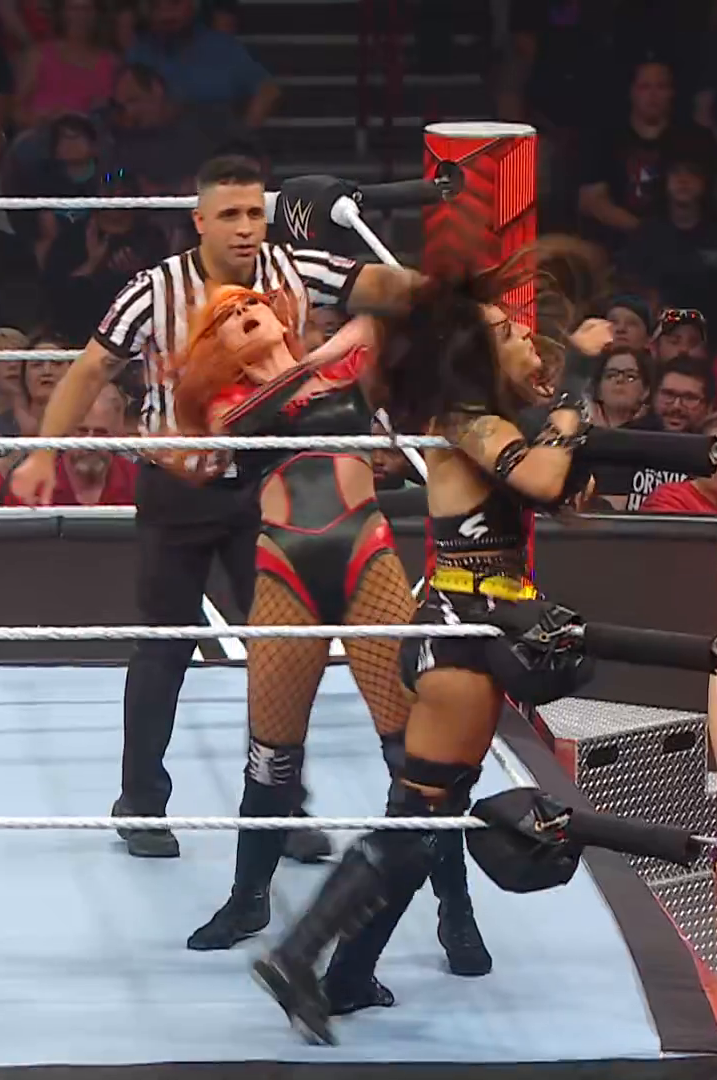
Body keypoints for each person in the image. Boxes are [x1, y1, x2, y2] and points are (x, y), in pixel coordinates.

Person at [9, 156, 419, 861]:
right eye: (229, 214)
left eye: (255, 213)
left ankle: (280, 810)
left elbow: (390, 287)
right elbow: (91, 368)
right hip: (178, 492)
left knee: (283, 652)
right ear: (199, 221)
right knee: (164, 646)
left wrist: (417, 280)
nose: (245, 227)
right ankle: (141, 803)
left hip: (269, 486)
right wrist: (44, 453)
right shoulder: (154, 289)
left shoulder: (297, 267)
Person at [251, 252, 600, 1044]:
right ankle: (299, 954)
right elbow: (542, 480)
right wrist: (578, 383)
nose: (526, 338)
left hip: (475, 627)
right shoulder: (467, 418)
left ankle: (342, 974)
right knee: (415, 819)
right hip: (461, 631)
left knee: (424, 819)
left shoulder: (493, 420)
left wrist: (566, 432)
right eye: (507, 333)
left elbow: (557, 490)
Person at [165, 284, 490, 978]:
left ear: (279, 313)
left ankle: (455, 908)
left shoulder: (346, 367)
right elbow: (241, 422)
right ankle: (248, 899)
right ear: (215, 348)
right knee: (271, 755)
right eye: (225, 318)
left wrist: (330, 353)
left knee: (416, 754)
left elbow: (387, 318)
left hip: (365, 556)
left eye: (249, 305)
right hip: (286, 569)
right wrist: (321, 360)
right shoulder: (231, 401)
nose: (242, 315)